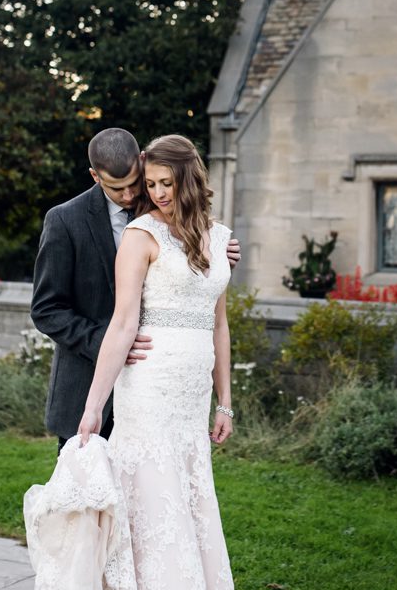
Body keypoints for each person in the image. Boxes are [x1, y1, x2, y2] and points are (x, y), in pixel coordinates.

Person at [23, 134, 250, 590]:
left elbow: (218, 316)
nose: (140, 195)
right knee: (118, 525)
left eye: (151, 184)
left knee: (183, 519)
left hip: (184, 401)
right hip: (117, 378)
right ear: (99, 177)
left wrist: (223, 398)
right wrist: (96, 401)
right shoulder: (77, 223)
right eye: (131, 187)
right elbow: (64, 310)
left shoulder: (208, 233)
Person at [30, 127, 240, 450]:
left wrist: (218, 259)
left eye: (133, 182)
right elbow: (46, 309)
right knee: (87, 496)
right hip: (86, 382)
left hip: (156, 391)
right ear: (94, 176)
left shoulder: (163, 202)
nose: (130, 195)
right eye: (117, 189)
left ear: (142, 161)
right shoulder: (64, 221)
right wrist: (106, 341)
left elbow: (188, 267)